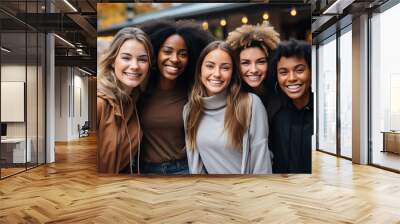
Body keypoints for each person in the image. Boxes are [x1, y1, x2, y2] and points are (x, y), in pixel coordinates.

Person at [183, 41, 272, 174]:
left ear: (232, 73)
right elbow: (196, 165)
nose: (217, 74)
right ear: (200, 69)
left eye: (225, 68)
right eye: (210, 66)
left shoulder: (250, 103)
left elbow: (261, 161)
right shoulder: (190, 110)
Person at [138, 20, 214, 174]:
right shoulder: (139, 91)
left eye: (183, 54)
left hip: (183, 169)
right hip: (145, 170)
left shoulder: (194, 92)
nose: (174, 59)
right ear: (155, 53)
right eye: (167, 51)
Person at [97, 27, 153, 174]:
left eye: (142, 59)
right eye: (126, 58)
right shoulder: (99, 103)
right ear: (112, 61)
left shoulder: (134, 101)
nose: (134, 66)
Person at [269, 39, 313, 173]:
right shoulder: (274, 115)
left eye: (299, 70)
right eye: (283, 72)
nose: (291, 78)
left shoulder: (324, 115)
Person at [226, 21, 281, 120]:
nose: (254, 70)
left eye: (261, 62)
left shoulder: (281, 94)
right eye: (245, 63)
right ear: (236, 64)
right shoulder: (229, 98)